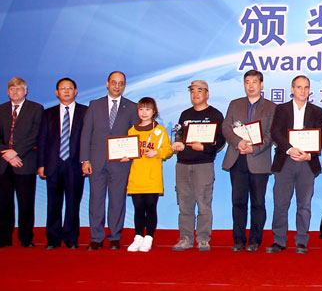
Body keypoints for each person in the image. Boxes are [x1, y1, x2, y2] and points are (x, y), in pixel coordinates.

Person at [79, 71, 138, 251]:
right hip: (96, 161)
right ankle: (96, 237)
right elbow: (86, 133)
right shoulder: (94, 105)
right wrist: (85, 159)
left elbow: (136, 135)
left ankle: (115, 237)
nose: (117, 86)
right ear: (107, 83)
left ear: (124, 85)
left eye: (121, 83)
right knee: (96, 200)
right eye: (114, 82)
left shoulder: (132, 107)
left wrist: (131, 155)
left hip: (121, 162)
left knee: (117, 200)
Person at [268, 75, 322, 254]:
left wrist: (310, 154)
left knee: (304, 204)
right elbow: (275, 132)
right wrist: (290, 149)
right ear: (292, 90)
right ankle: (279, 240)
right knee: (281, 203)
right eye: (299, 87)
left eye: (306, 87)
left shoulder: (316, 111)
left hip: (306, 163)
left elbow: (320, 136)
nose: (302, 91)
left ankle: (301, 241)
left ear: (309, 91)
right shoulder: (281, 109)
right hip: (285, 161)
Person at [222, 70, 276, 252]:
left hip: (259, 159)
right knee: (238, 201)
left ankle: (255, 240)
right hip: (237, 158)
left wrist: (254, 148)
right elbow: (226, 127)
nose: (250, 85)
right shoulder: (235, 104)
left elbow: (271, 134)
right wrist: (238, 142)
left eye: (254, 82)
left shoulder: (271, 107)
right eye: (247, 82)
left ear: (261, 85)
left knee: (258, 203)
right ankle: (238, 239)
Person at [170, 80, 225, 252]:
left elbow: (221, 140)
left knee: (203, 203)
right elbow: (179, 134)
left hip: (203, 164)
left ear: (207, 94)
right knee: (184, 204)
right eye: (192, 91)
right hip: (183, 164)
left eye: (199, 90)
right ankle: (185, 238)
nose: (195, 94)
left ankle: (203, 239)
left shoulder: (215, 115)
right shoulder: (185, 114)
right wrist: (177, 143)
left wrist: (205, 147)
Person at [37, 78, 87, 249]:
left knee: (73, 203)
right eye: (62, 88)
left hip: (75, 164)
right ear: (56, 92)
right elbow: (42, 140)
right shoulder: (48, 113)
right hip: (53, 164)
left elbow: (90, 140)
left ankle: (71, 238)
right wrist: (41, 164)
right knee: (53, 203)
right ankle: (53, 238)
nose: (66, 91)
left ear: (76, 91)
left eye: (69, 88)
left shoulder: (85, 112)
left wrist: (86, 160)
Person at [123, 97, 173, 252]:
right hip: (136, 176)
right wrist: (125, 156)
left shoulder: (160, 131)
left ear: (154, 111)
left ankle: (149, 237)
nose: (144, 113)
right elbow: (127, 149)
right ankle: (138, 236)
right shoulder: (132, 130)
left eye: (148, 109)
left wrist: (157, 152)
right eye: (141, 109)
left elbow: (168, 150)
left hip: (152, 177)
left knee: (150, 207)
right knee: (138, 208)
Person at [0, 77, 43, 248]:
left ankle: (26, 239)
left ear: (25, 91)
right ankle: (4, 238)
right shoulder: (1, 109)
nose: (15, 92)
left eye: (18, 89)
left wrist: (16, 152)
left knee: (26, 203)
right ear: (7, 92)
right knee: (3, 203)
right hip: (3, 163)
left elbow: (35, 135)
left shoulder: (36, 109)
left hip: (25, 162)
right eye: (12, 89)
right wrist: (7, 153)